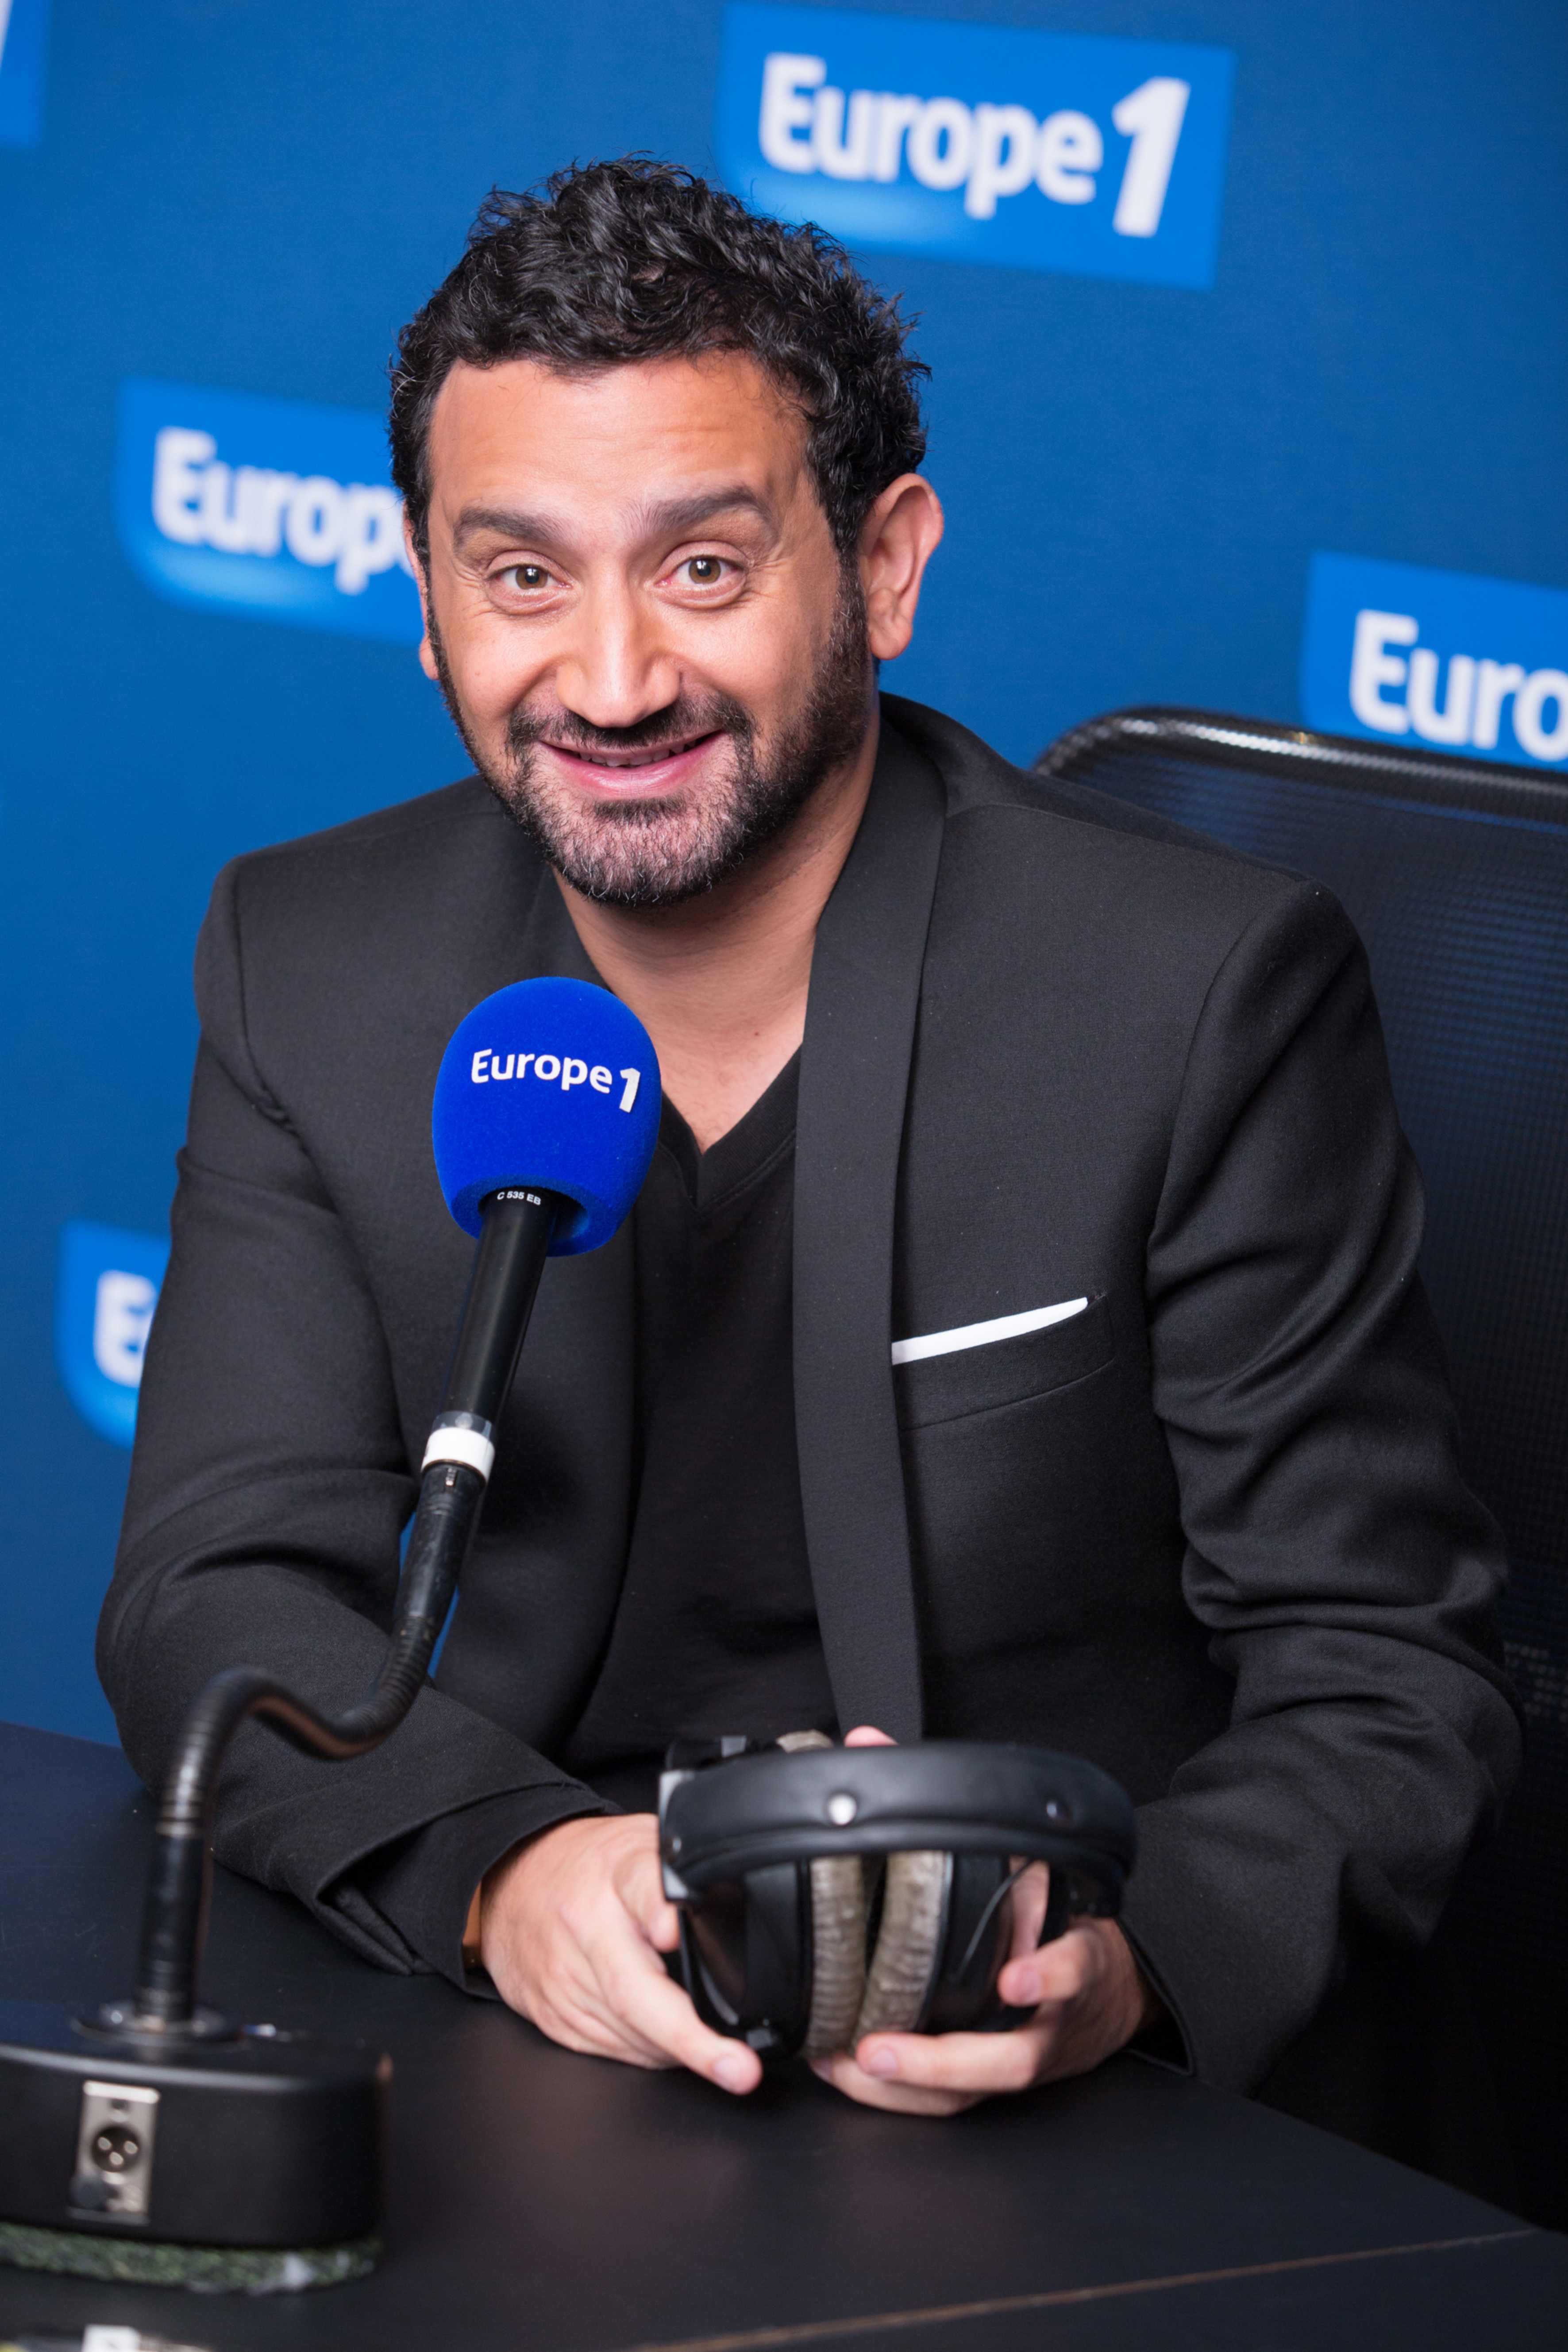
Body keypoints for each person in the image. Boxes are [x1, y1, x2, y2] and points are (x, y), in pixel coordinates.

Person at [101, 161, 1518, 2152]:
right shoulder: (306, 960)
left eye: (701, 568)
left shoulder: (1190, 994)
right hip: (528, 2036)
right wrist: (511, 1880)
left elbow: (1380, 1671)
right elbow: (213, 1591)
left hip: (1040, 2091)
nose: (606, 682)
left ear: (884, 564)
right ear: (422, 596)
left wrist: (1128, 1963)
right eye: (520, 575)